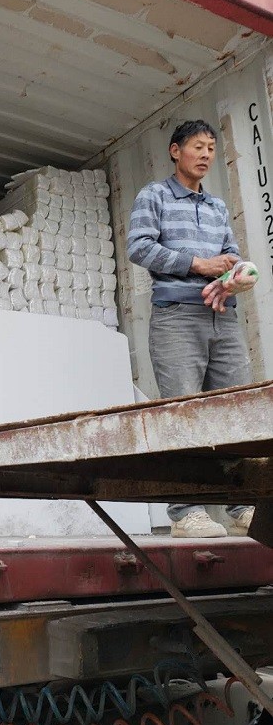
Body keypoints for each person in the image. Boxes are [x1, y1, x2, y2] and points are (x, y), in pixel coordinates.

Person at [127, 120, 254, 538]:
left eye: (212, 148)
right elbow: (139, 246)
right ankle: (185, 512)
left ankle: (240, 506)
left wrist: (233, 275)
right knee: (182, 413)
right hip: (177, 317)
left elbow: (231, 253)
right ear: (174, 150)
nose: (205, 154)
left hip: (223, 316)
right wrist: (197, 264)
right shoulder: (155, 195)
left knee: (239, 411)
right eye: (197, 146)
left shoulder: (217, 207)